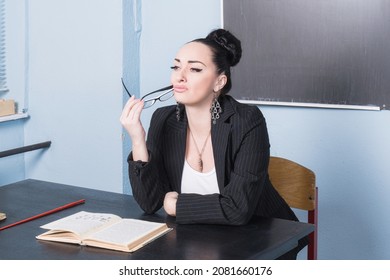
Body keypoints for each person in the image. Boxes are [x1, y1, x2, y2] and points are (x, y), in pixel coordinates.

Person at [120, 29, 307, 259]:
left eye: (195, 69)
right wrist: (138, 139)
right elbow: (149, 202)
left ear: (219, 82)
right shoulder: (164, 119)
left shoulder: (247, 120)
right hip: (200, 239)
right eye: (176, 67)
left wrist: (175, 206)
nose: (180, 76)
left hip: (263, 240)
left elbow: (237, 209)